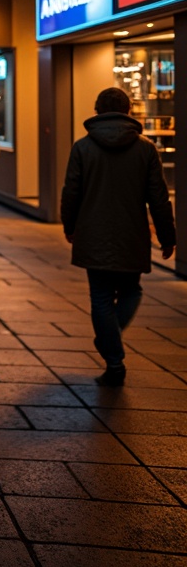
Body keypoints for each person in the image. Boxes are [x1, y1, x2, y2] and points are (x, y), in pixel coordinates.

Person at [61, 86, 176, 387]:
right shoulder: (145, 148)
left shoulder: (82, 147)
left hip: (93, 232)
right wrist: (167, 236)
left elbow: (71, 191)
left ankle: (112, 356)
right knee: (131, 290)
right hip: (131, 233)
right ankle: (110, 340)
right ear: (128, 110)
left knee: (100, 295)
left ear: (97, 110)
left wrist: (69, 225)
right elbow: (159, 198)